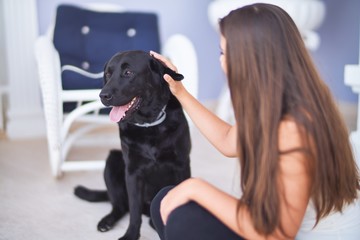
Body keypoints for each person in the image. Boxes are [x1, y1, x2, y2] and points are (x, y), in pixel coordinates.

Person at [150, 3, 360, 240]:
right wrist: (179, 91)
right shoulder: (276, 100)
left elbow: (277, 233)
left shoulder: (294, 127)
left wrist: (196, 188)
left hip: (305, 235)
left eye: (223, 53)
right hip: (275, 225)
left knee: (183, 219)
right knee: (166, 199)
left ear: (247, 59)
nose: (221, 62)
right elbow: (229, 141)